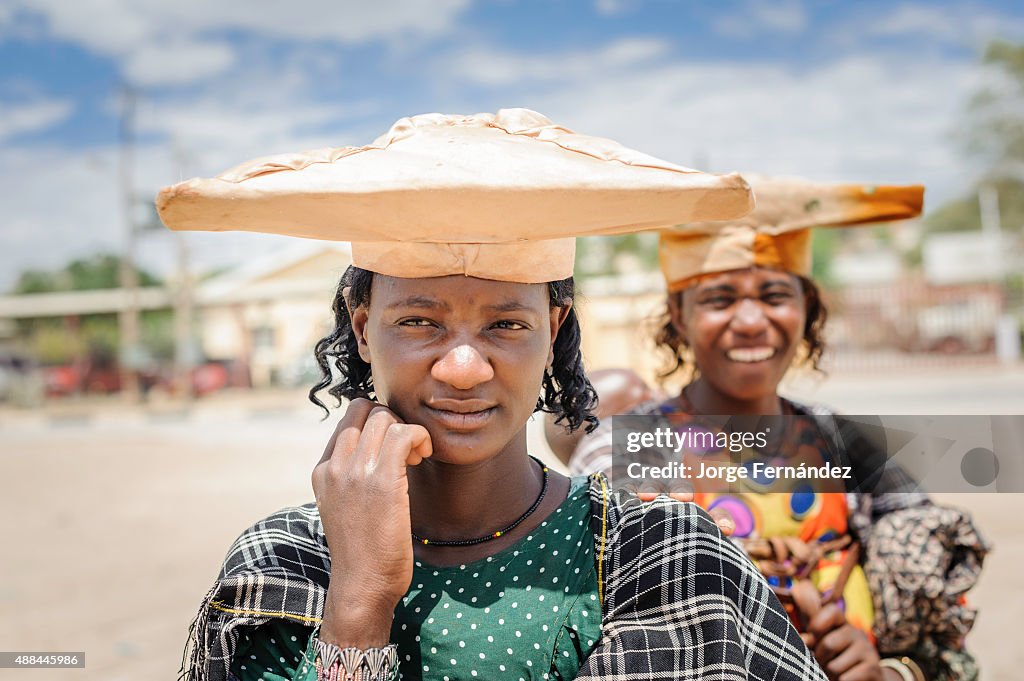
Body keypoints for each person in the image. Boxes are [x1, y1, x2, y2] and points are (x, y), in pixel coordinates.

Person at [158, 110, 827, 681]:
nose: (463, 367)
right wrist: (359, 602)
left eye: (506, 324)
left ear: (553, 330)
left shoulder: (660, 554)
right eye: (419, 320)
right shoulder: (287, 563)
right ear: (363, 329)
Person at [565, 176, 989, 681]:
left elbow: (945, 637)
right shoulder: (628, 446)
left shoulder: (848, 443)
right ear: (678, 315)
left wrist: (891, 671)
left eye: (774, 294)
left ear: (807, 308)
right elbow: (593, 617)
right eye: (719, 299)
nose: (749, 321)